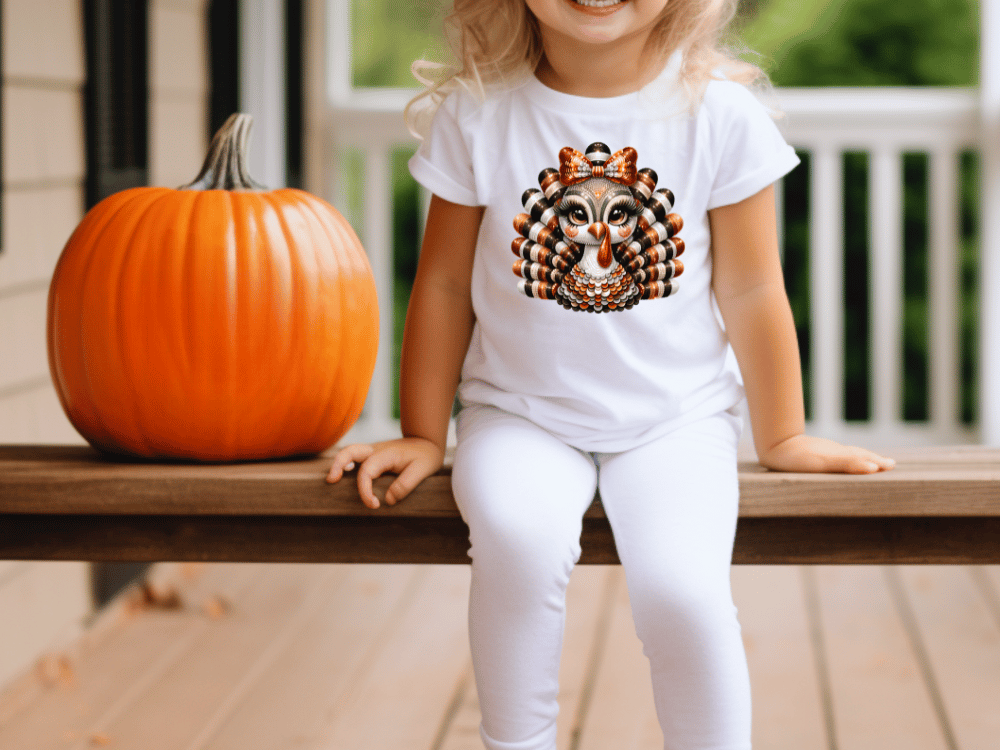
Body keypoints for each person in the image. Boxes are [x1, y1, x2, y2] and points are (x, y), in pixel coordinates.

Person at [327, 1, 895, 748]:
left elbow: (755, 290)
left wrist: (781, 433)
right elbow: (440, 287)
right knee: (516, 539)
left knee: (683, 591)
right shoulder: (478, 114)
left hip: (676, 421)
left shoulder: (720, 114)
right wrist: (425, 436)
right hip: (519, 415)